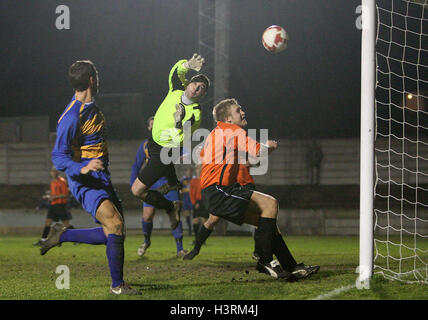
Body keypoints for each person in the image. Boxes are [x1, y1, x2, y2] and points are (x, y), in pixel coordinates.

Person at [42, 60, 139, 295]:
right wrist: (82, 168)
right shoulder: (72, 116)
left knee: (116, 231)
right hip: (85, 182)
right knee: (114, 225)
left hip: (101, 177)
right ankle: (117, 286)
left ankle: (63, 234)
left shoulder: (91, 108)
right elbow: (58, 157)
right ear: (93, 80)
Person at [197, 98, 319, 280]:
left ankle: (291, 267)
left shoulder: (217, 133)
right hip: (219, 191)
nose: (243, 112)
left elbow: (209, 160)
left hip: (215, 192)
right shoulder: (232, 130)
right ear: (228, 118)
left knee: (268, 224)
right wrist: (269, 145)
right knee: (271, 204)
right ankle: (265, 259)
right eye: (239, 110)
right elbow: (255, 151)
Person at [131, 54, 210, 230]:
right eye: (195, 83)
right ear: (188, 83)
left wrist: (178, 123)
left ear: (203, 95)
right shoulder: (176, 90)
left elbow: (181, 139)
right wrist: (188, 64)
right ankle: (173, 183)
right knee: (170, 180)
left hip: (164, 151)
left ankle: (170, 207)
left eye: (202, 88)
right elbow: (175, 72)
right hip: (153, 141)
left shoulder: (195, 113)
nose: (197, 87)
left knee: (137, 191)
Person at [131, 116, 187, 258]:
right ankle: (146, 241)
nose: (154, 126)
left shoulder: (169, 141)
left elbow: (182, 151)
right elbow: (136, 165)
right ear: (149, 128)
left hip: (167, 182)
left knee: (175, 212)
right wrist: (134, 183)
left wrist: (184, 154)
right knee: (148, 216)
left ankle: (180, 248)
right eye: (152, 124)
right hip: (153, 184)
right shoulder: (144, 145)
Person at [33, 167, 75, 246]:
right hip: (53, 205)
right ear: (51, 173)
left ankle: (77, 238)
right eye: (52, 171)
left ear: (58, 172)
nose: (54, 173)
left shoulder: (62, 181)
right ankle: (43, 240)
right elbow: (54, 194)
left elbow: (65, 194)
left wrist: (55, 197)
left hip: (60, 205)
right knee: (48, 222)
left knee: (66, 224)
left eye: (55, 171)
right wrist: (49, 196)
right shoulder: (53, 183)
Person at [188, 164, 209, 245]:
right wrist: (194, 203)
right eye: (198, 168)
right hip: (197, 202)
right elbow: (191, 193)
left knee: (204, 220)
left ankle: (203, 240)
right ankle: (197, 239)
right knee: (195, 220)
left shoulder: (206, 179)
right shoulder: (193, 181)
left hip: (204, 201)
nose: (199, 170)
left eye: (200, 168)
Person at [180, 167, 195, 236]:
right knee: (187, 214)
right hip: (185, 199)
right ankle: (189, 230)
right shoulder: (183, 180)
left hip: (192, 199)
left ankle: (194, 230)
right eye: (188, 171)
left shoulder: (194, 179)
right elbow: (179, 188)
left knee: (194, 215)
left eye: (190, 171)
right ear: (186, 172)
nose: (189, 173)